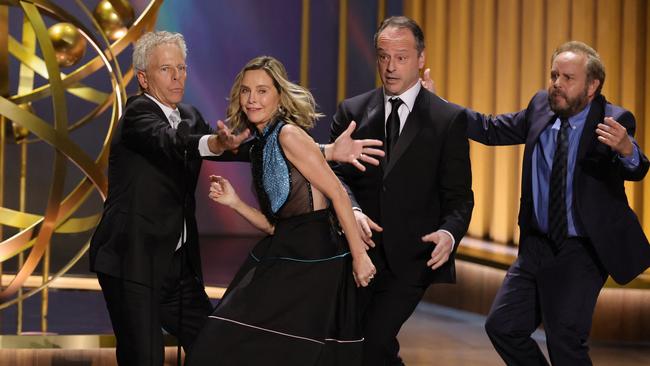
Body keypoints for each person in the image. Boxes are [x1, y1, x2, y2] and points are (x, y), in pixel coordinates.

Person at [89, 31, 385, 365]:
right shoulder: (137, 115)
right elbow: (173, 142)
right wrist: (214, 144)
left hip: (177, 266)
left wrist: (325, 151)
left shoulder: (189, 115)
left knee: (214, 343)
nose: (177, 77)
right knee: (144, 357)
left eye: (182, 68)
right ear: (143, 78)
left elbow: (259, 149)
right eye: (165, 70)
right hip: (133, 260)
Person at [462, 41, 650, 365]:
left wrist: (627, 151)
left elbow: (637, 168)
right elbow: (490, 128)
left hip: (581, 249)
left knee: (564, 339)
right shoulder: (540, 107)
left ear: (592, 86)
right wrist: (433, 106)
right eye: (554, 76)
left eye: (567, 78)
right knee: (503, 327)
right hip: (536, 245)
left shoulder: (613, 120)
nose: (557, 85)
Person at [185, 55, 376, 365]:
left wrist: (359, 256)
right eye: (246, 91)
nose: (252, 99)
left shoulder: (288, 135)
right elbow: (277, 226)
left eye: (262, 90)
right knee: (227, 341)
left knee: (242, 345)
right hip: (284, 249)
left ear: (279, 95)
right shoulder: (261, 144)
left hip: (314, 260)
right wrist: (235, 204)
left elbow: (338, 194)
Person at [330, 16, 474, 365]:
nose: (390, 67)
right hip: (357, 252)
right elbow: (333, 177)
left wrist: (449, 234)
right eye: (383, 56)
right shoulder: (352, 111)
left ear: (421, 58)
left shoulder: (447, 119)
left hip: (412, 259)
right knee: (353, 348)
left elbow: (460, 197)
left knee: (374, 343)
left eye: (401, 57)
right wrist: (353, 210)